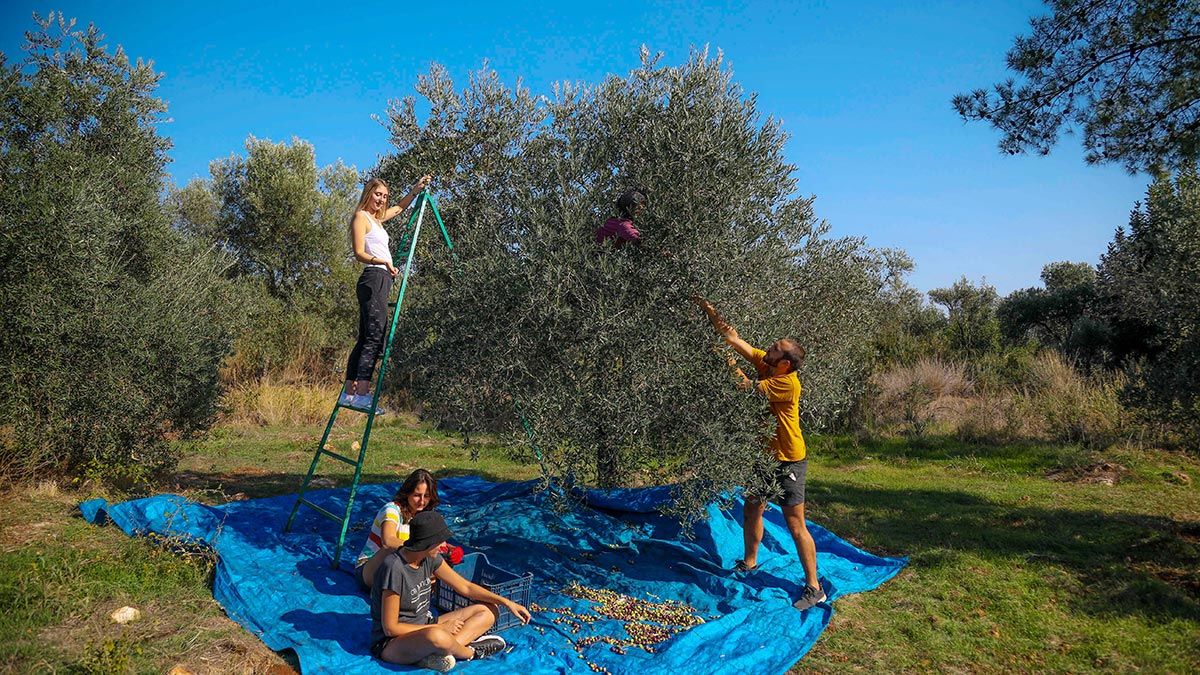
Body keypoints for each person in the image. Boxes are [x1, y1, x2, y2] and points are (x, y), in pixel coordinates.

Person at [691, 295, 827, 612]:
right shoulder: (769, 366)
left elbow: (743, 386)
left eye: (776, 348)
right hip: (765, 457)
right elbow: (733, 337)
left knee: (795, 525)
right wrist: (708, 307)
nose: (769, 348)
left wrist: (723, 359)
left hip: (788, 459)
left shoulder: (787, 384)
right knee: (753, 508)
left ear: (785, 363)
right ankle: (750, 563)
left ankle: (814, 587)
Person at [369, 511, 533, 671]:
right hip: (391, 643)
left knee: (488, 610)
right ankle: (472, 652)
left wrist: (507, 602)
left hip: (426, 625)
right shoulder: (394, 568)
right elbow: (391, 628)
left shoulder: (429, 558)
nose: (443, 547)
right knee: (436, 637)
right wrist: (442, 629)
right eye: (440, 542)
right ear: (427, 543)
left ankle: (439, 652)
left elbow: (466, 587)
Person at [341, 175, 432, 410]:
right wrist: (383, 261)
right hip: (374, 276)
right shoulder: (361, 217)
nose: (381, 199)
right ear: (368, 193)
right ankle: (362, 394)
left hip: (380, 278)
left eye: (384, 196)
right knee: (374, 336)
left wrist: (415, 190)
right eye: (377, 194)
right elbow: (359, 252)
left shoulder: (377, 219)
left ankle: (348, 392)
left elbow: (399, 209)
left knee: (366, 336)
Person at [355, 468, 439, 591]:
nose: (422, 501)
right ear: (407, 493)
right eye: (417, 495)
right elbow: (388, 541)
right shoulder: (391, 510)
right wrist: (421, 549)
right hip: (369, 569)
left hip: (400, 568)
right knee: (392, 549)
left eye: (426, 496)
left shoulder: (424, 514)